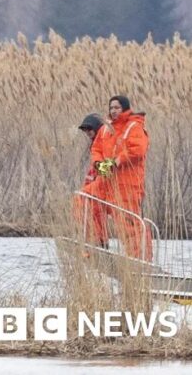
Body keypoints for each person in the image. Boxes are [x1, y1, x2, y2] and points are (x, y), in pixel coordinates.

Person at [105, 95, 152, 261]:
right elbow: (104, 151)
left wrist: (118, 160)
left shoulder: (134, 126)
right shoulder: (112, 129)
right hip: (115, 184)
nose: (114, 111)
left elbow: (138, 150)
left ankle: (140, 259)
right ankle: (131, 257)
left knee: (130, 225)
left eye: (117, 108)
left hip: (130, 185)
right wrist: (103, 165)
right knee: (121, 224)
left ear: (124, 108)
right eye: (111, 108)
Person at [74, 113, 115, 248]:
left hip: (104, 186)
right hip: (98, 185)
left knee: (84, 201)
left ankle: (99, 242)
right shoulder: (96, 145)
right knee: (93, 212)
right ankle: (98, 242)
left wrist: (99, 179)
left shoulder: (104, 142)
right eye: (85, 130)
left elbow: (108, 167)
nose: (87, 133)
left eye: (89, 129)